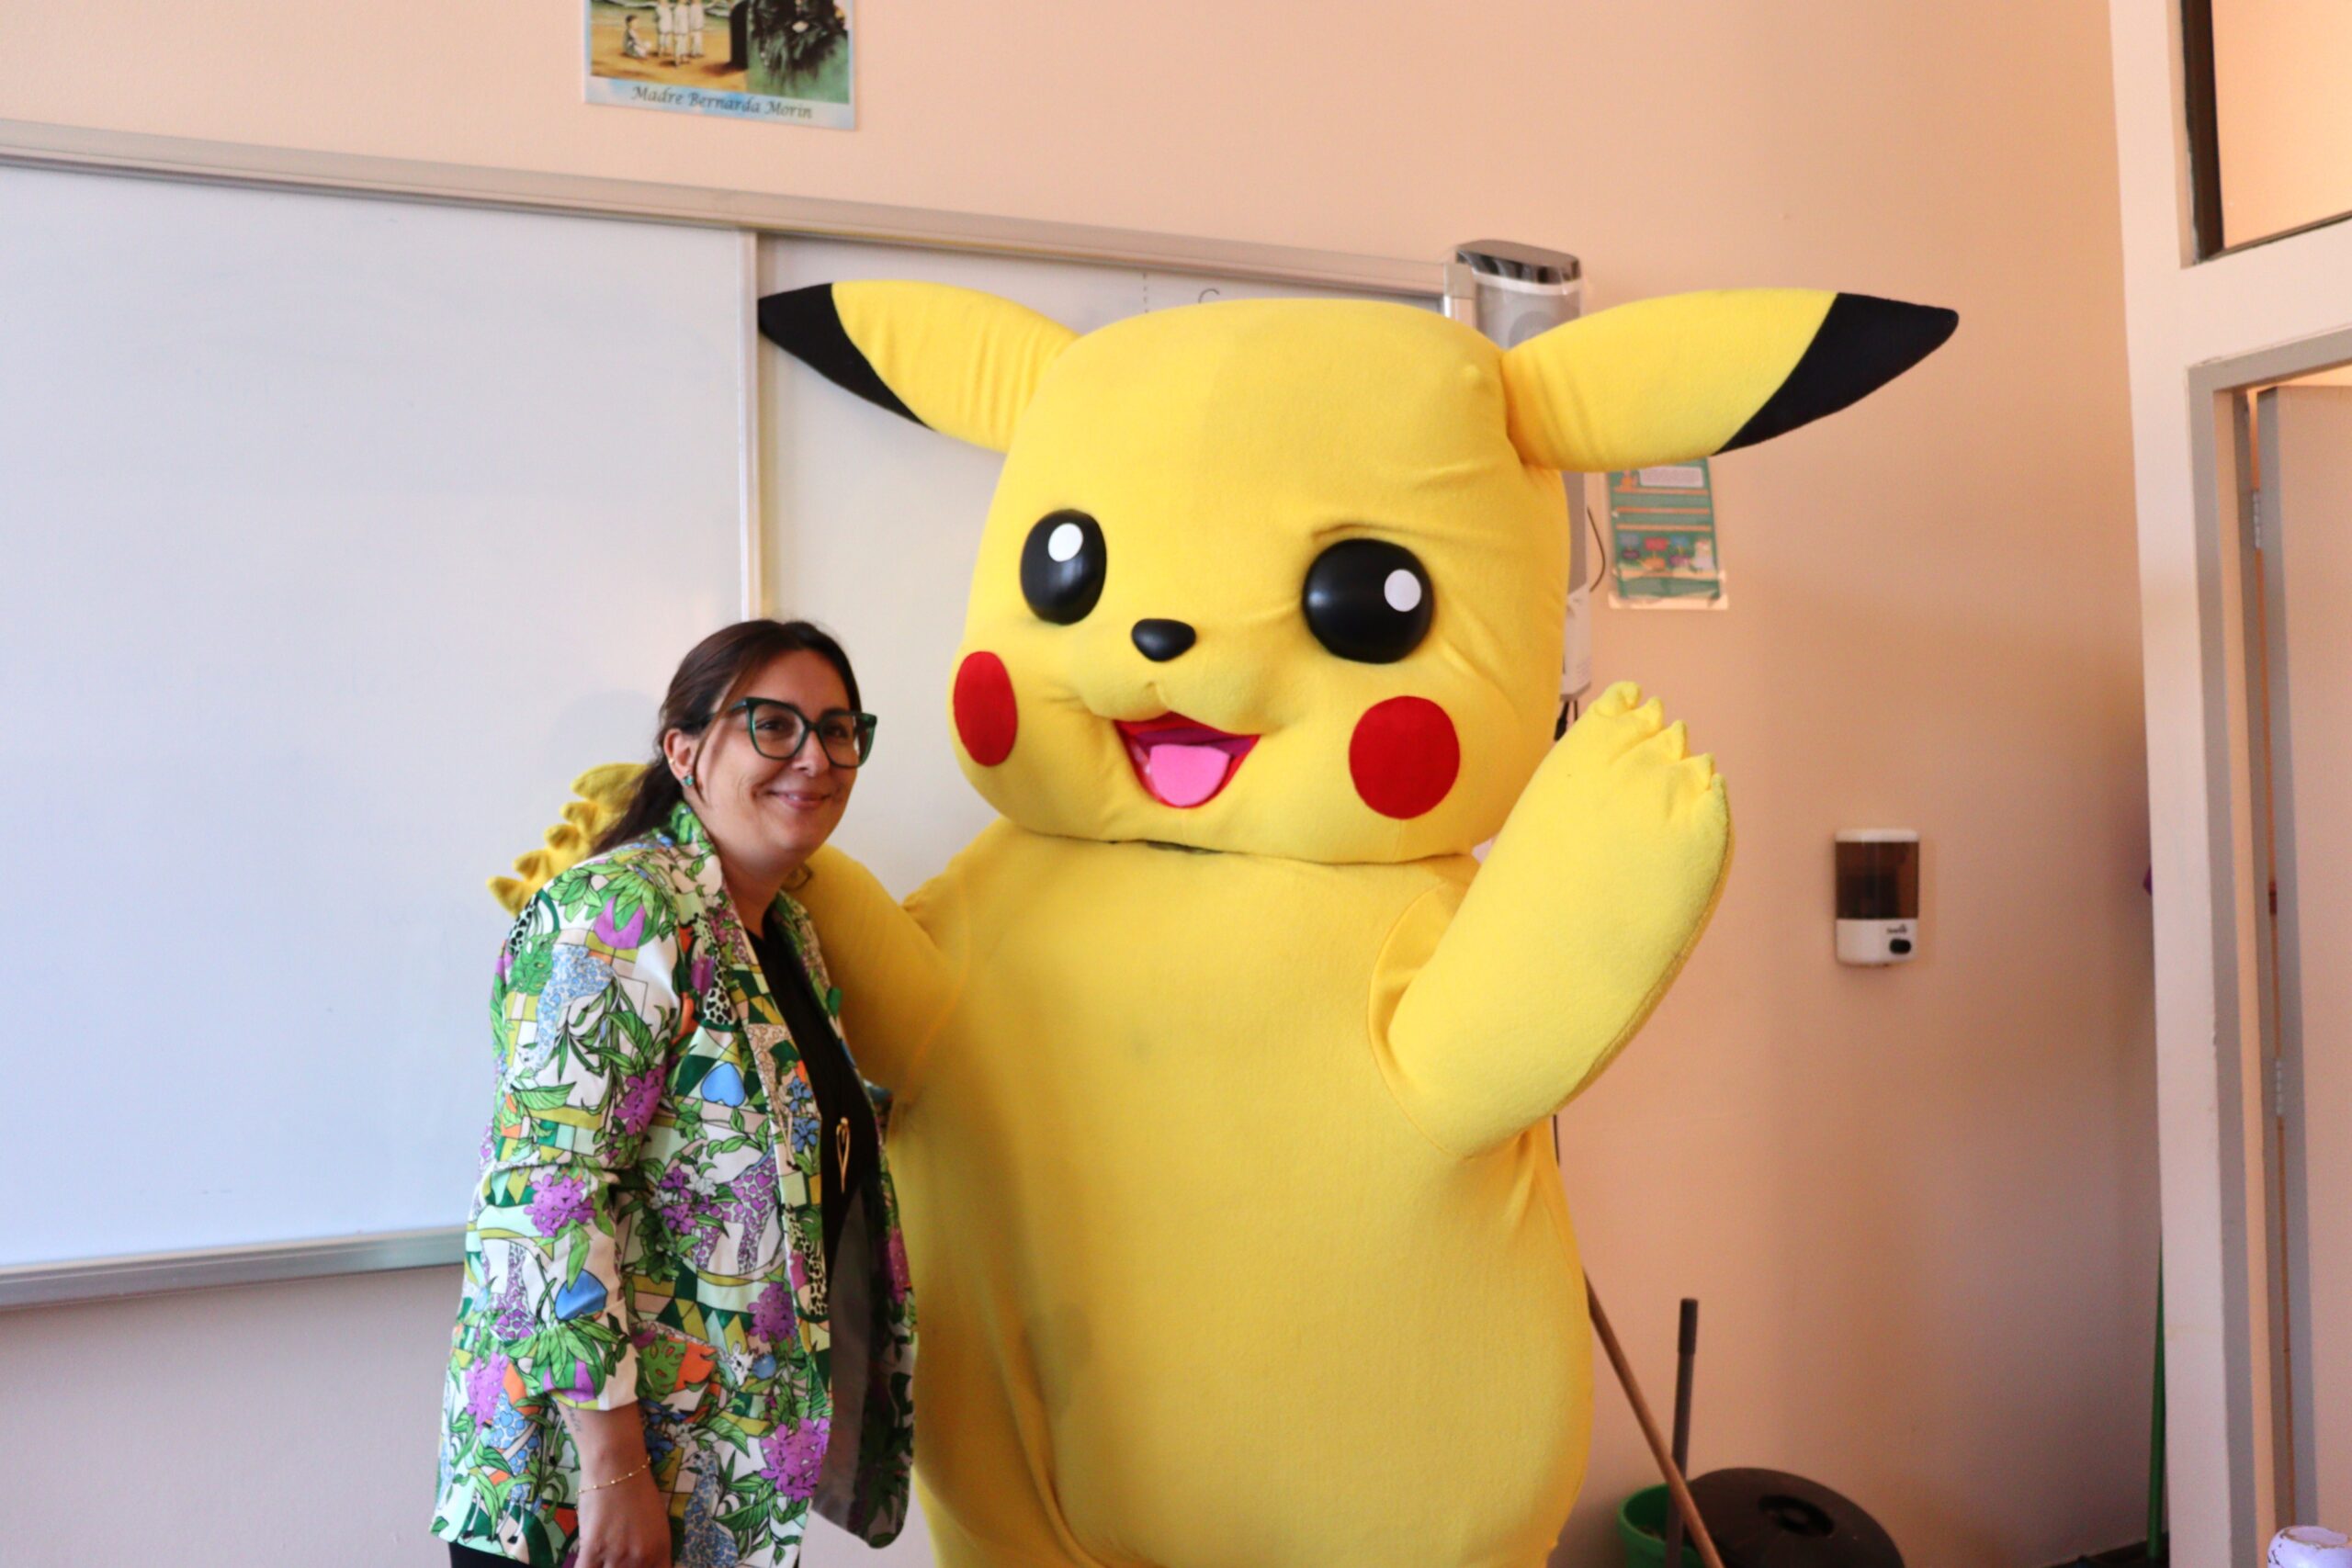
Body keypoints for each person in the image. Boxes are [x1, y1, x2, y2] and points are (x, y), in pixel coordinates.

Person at [431, 619, 916, 1568]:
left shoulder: (785, 935)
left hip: (715, 1477)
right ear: (685, 750)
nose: (815, 758)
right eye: (773, 724)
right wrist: (613, 1470)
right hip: (578, 1492)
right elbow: (542, 1198)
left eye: (838, 730)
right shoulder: (621, 911)